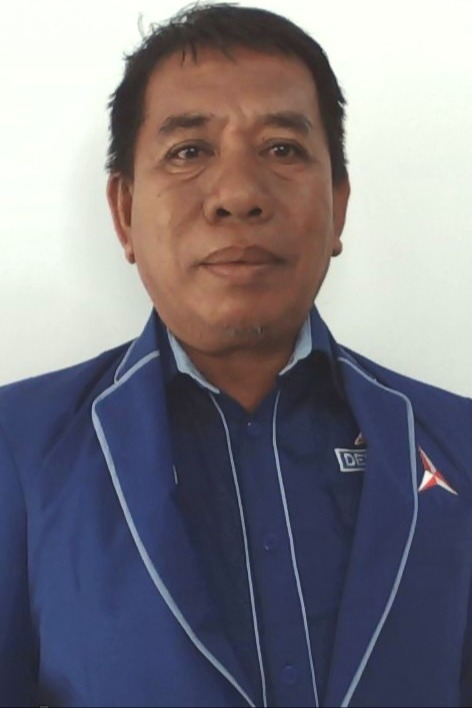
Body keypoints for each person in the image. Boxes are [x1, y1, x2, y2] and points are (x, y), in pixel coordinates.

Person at [0, 3, 471, 706]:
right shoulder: (19, 447)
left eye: (282, 149)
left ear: (338, 205)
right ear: (124, 212)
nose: (239, 195)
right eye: (189, 151)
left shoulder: (457, 442)